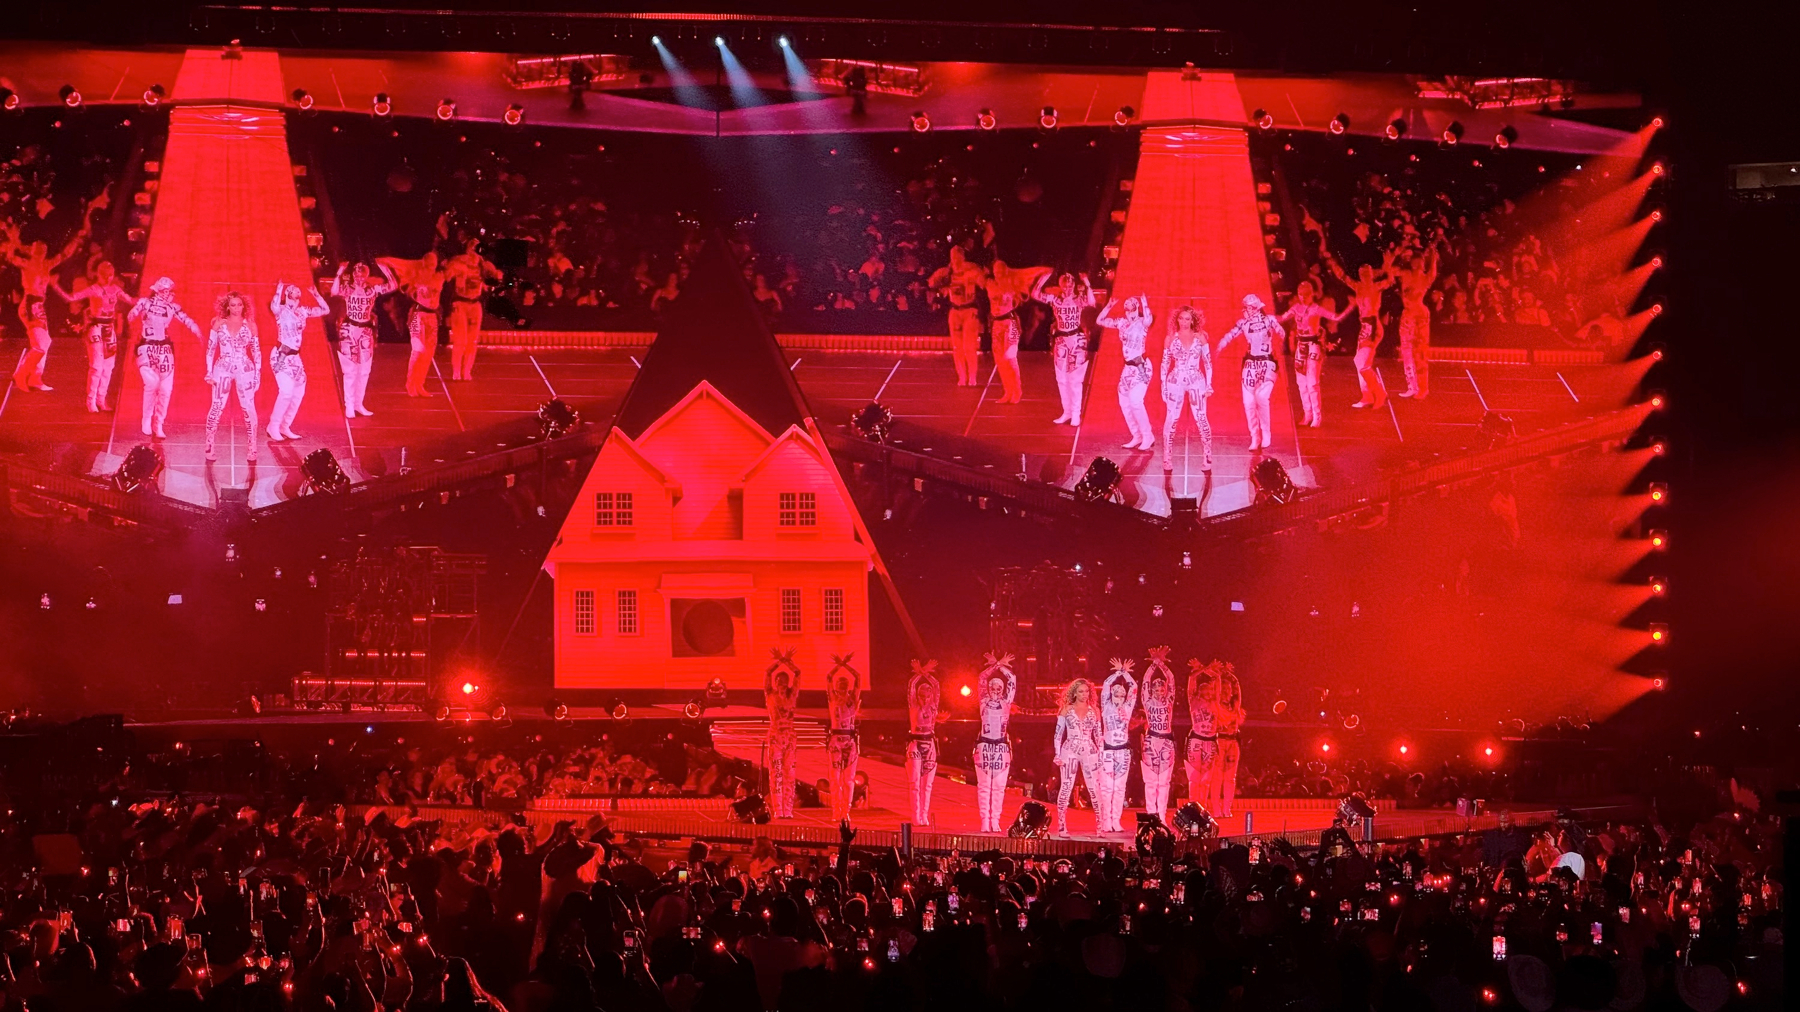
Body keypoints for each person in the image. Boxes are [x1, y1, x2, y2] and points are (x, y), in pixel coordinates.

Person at [4, 219, 88, 392]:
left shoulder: (46, 264)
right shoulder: (27, 263)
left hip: (39, 307)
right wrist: (12, 238)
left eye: (43, 248)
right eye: (38, 248)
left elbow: (64, 255)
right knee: (39, 346)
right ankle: (21, 375)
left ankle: (36, 377)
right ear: (32, 250)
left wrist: (76, 239)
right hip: (30, 305)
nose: (41, 250)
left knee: (46, 342)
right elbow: (11, 257)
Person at [54, 261, 136, 412]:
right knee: (97, 366)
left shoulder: (115, 289)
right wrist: (55, 286)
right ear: (98, 274)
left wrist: (151, 300)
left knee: (108, 367)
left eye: (110, 274)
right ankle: (90, 400)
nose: (108, 277)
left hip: (109, 329)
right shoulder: (94, 290)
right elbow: (71, 298)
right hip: (96, 328)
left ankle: (101, 399)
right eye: (105, 274)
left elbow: (131, 300)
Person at [126, 277, 200, 438]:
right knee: (151, 383)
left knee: (166, 389)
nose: (168, 294)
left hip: (164, 349)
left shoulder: (172, 307)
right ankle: (146, 419)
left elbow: (186, 319)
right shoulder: (145, 303)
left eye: (170, 291)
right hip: (147, 347)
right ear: (158, 291)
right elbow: (132, 313)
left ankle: (158, 423)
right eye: (165, 291)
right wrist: (133, 315)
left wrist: (196, 329)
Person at [1215, 293, 1286, 452]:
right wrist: (1220, 346)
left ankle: (1266, 432)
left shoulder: (1269, 320)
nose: (1245, 311)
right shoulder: (1243, 324)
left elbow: (1281, 333)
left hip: (1267, 362)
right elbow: (1230, 335)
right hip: (1250, 364)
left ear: (1255, 308)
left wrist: (1280, 341)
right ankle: (1255, 436)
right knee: (1248, 402)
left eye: (1247, 308)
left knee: (1262, 397)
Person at [1325, 251, 1395, 409]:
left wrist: (1389, 264)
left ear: (1372, 274)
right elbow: (1343, 277)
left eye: (1367, 272)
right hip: (1364, 327)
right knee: (1359, 362)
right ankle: (1367, 395)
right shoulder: (1358, 286)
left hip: (1372, 325)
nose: (1364, 274)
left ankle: (1379, 393)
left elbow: (1390, 280)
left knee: (1363, 364)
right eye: (1362, 272)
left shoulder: (1376, 286)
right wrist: (1333, 263)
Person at [1278, 281, 1352, 428]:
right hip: (1301, 346)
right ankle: (1307, 414)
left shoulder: (1316, 309)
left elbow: (1336, 318)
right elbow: (1282, 318)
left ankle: (1317, 416)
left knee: (1312, 383)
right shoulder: (1296, 308)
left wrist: (1350, 307)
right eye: (1301, 294)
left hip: (1313, 346)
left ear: (1312, 294)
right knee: (1301, 384)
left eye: (1306, 294)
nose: (1303, 297)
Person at [330, 260, 396, 418]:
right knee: (350, 370)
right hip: (349, 330)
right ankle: (349, 405)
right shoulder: (348, 289)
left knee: (364, 370)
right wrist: (339, 272)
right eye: (357, 275)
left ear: (367, 276)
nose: (359, 278)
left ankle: (359, 404)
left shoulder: (371, 290)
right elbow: (334, 291)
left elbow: (393, 286)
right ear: (353, 276)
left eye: (362, 275)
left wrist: (385, 269)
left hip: (365, 331)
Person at [266, 280, 330, 441]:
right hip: (281, 355)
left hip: (295, 357)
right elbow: (274, 306)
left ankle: (285, 425)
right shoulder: (281, 310)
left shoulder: (303, 311)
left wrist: (316, 294)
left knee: (298, 392)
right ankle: (273, 425)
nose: (296, 292)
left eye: (298, 292)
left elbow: (325, 310)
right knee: (286, 391)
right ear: (287, 295)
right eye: (292, 291)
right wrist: (279, 289)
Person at [203, 291, 261, 463]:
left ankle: (252, 446)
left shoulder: (250, 325)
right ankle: (209, 444)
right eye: (233, 305)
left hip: (244, 367)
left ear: (244, 306)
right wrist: (209, 372)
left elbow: (256, 352)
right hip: (223, 367)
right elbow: (210, 349)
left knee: (248, 407)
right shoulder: (219, 323)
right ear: (227, 307)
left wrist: (258, 375)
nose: (236, 308)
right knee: (217, 406)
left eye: (239, 304)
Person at [1034, 270, 1096, 425]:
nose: (1067, 288)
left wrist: (1087, 283)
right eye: (1065, 286)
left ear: (1073, 286)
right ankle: (1066, 411)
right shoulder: (1056, 300)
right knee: (1061, 379)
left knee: (1075, 379)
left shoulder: (1078, 299)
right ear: (1060, 286)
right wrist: (1042, 279)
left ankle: (1076, 413)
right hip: (1061, 340)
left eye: (1070, 286)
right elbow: (1035, 294)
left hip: (1076, 340)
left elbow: (1092, 302)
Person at [378, 253, 446, 397]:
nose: (432, 264)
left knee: (428, 352)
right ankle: (410, 384)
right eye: (430, 261)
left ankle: (420, 384)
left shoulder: (439, 276)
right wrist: (414, 287)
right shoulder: (416, 275)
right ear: (424, 262)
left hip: (432, 316)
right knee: (418, 349)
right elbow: (405, 288)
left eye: (434, 261)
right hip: (418, 314)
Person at [984, 260, 1050, 403]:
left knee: (1010, 357)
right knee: (1000, 360)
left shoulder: (1013, 283)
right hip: (996, 323)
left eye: (1000, 270)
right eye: (996, 271)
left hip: (1010, 322)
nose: (998, 273)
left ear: (1005, 270)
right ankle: (1007, 392)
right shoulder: (990, 284)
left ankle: (1017, 391)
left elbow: (1031, 286)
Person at [1157, 304, 1213, 470]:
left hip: (1196, 380)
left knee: (1201, 418)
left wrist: (1209, 385)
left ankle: (1207, 456)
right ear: (1177, 320)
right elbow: (1164, 363)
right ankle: (1167, 457)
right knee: (1171, 419)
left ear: (1193, 320)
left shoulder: (1200, 337)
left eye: (1187, 319)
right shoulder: (1170, 338)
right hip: (1176, 380)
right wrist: (1163, 385)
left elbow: (1208, 362)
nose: (1184, 322)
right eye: (1181, 318)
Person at [1097, 293, 1155, 450]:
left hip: (1141, 366)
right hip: (1128, 368)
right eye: (1126, 307)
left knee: (1136, 401)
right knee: (1124, 402)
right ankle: (1136, 435)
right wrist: (1109, 306)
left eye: (1131, 306)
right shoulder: (1121, 323)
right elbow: (1100, 321)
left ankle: (1148, 435)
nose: (1128, 309)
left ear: (1136, 307)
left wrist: (1144, 302)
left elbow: (1149, 319)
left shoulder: (1142, 322)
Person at [927, 245, 985, 387]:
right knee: (957, 347)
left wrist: (979, 276)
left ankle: (972, 377)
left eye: (958, 256)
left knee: (969, 346)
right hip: (955, 310)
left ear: (963, 256)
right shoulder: (947, 272)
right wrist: (941, 280)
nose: (956, 260)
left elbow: (983, 283)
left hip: (969, 309)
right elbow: (931, 282)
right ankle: (962, 377)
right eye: (953, 257)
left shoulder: (972, 269)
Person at [444, 239, 502, 381]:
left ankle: (467, 371)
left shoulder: (483, 264)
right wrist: (451, 269)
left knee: (472, 341)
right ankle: (456, 371)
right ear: (468, 248)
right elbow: (446, 276)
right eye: (473, 247)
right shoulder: (458, 262)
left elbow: (497, 277)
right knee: (460, 340)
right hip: (460, 303)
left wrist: (496, 275)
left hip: (475, 304)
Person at [973, 652, 1016, 833]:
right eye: (993, 687)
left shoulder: (1006, 703)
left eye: (999, 687)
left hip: (1001, 746)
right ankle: (984, 819)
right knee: (984, 785)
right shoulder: (983, 701)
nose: (996, 690)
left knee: (999, 786)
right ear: (989, 689)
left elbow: (1012, 679)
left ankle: (995, 819)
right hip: (984, 745)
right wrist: (996, 665)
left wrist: (1000, 666)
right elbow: (982, 678)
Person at [1052, 677, 1101, 837]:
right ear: (1074, 693)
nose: (1084, 694)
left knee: (1094, 788)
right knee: (1066, 786)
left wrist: (1101, 754)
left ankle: (1100, 826)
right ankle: (1061, 826)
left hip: (1089, 749)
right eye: (1081, 691)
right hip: (1070, 749)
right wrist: (1057, 754)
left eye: (1086, 691)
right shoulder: (1066, 709)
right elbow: (1058, 734)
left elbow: (1098, 735)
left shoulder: (1094, 710)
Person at [1098, 662, 1139, 834]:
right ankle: (1106, 821)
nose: (1120, 696)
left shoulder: (1127, 708)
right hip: (1108, 750)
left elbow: (1134, 687)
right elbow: (1105, 685)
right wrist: (1118, 673)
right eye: (1117, 693)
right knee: (1107, 788)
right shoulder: (1106, 706)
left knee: (1119, 788)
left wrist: (1126, 674)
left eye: (1122, 694)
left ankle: (1116, 820)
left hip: (1123, 751)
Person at [1139, 646, 1178, 820]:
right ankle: (1151, 814)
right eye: (1156, 690)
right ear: (1151, 691)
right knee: (1150, 782)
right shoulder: (1147, 701)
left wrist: (1162, 664)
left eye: (1162, 690)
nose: (1159, 692)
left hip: (1167, 742)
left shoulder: (1169, 701)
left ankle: (1161, 816)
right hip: (1151, 740)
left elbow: (1171, 679)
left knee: (1164, 782)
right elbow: (1146, 680)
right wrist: (1154, 664)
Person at [1394, 247, 1439, 399]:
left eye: (1420, 262)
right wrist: (1398, 254)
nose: (1417, 264)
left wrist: (1433, 257)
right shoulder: (1405, 274)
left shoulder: (1425, 278)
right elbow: (1391, 271)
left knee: (1420, 353)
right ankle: (1412, 387)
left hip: (1419, 317)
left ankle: (1423, 388)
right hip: (1407, 316)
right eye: (1415, 262)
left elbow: (1433, 272)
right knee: (1406, 352)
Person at [763, 648, 801, 819]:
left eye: (784, 681)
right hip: (775, 736)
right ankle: (778, 809)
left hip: (790, 736)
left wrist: (787, 662)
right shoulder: (770, 694)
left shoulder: (792, 696)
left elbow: (798, 673)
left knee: (789, 774)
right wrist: (780, 661)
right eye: (779, 681)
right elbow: (767, 672)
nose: (781, 684)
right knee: (776, 773)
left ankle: (788, 809)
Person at [825, 653, 862, 824]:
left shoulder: (852, 699)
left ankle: (846, 811)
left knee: (848, 780)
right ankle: (836, 810)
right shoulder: (832, 698)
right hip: (835, 740)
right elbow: (828, 677)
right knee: (835, 779)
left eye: (845, 684)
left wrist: (845, 665)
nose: (842, 686)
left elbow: (858, 677)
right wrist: (839, 665)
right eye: (840, 683)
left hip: (850, 740)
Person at [904, 659, 941, 827]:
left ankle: (924, 815)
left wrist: (925, 672)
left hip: (930, 743)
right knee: (915, 783)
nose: (924, 700)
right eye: (922, 696)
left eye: (927, 697)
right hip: (915, 743)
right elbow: (911, 685)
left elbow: (937, 685)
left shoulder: (933, 705)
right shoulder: (913, 704)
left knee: (927, 784)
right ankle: (915, 815)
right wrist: (921, 672)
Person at [1184, 659, 1220, 814]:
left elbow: (1217, 679)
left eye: (1210, 690)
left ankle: (1202, 808)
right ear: (1200, 691)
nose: (1209, 692)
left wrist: (1208, 669)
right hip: (1196, 740)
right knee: (1194, 777)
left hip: (1210, 741)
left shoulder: (1215, 701)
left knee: (1206, 779)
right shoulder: (1194, 700)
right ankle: (1193, 806)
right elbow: (1191, 679)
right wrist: (1201, 669)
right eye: (1205, 690)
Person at [1214, 661, 1248, 819]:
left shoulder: (1235, 706)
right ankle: (1216, 808)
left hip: (1233, 742)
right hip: (1219, 741)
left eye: (1228, 689)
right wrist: (1221, 674)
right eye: (1224, 688)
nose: (1227, 691)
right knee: (1217, 777)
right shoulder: (1216, 704)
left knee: (1230, 777)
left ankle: (1227, 808)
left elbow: (1239, 690)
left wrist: (1230, 675)